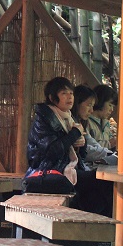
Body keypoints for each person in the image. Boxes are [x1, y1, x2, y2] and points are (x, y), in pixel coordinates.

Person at [25, 76, 112, 216]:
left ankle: (87, 221)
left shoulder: (68, 118)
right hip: (48, 171)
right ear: (52, 98)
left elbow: (80, 155)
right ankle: (90, 221)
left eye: (71, 93)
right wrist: (74, 134)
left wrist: (81, 145)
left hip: (67, 169)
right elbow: (51, 152)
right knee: (104, 183)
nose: (69, 96)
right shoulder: (43, 120)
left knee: (102, 188)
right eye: (64, 93)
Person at [71, 84, 117, 170]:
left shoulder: (83, 122)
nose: (91, 110)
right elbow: (87, 149)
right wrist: (109, 148)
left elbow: (91, 142)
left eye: (92, 106)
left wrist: (110, 153)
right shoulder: (73, 123)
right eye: (89, 105)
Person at [87, 83, 117, 151]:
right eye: (110, 105)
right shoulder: (86, 122)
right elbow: (88, 147)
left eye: (113, 106)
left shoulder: (106, 123)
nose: (111, 110)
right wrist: (109, 144)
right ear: (101, 101)